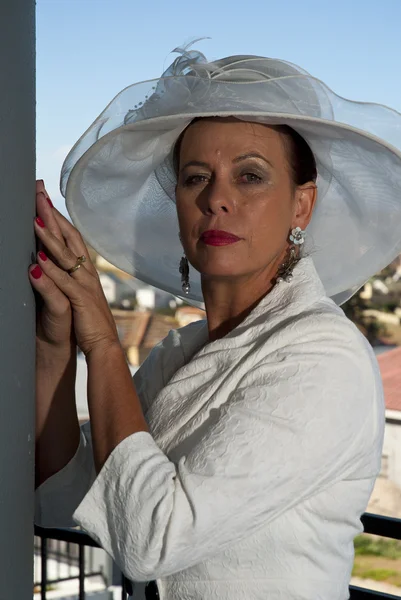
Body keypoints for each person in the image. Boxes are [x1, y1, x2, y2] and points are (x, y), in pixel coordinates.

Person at [32, 44, 401, 600]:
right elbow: (64, 499)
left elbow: (151, 540)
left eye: (250, 176)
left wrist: (103, 341)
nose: (217, 199)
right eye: (195, 177)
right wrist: (55, 345)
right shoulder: (177, 353)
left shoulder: (326, 356)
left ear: (302, 206)